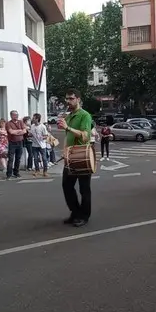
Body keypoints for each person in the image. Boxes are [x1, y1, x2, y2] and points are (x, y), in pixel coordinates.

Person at [59, 89, 93, 227]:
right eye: (67, 99)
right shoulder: (69, 116)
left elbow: (85, 136)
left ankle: (84, 216)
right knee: (67, 186)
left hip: (82, 154)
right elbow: (68, 136)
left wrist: (68, 128)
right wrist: (64, 150)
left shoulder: (85, 115)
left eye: (71, 98)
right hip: (70, 156)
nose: (68, 101)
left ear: (78, 99)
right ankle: (75, 212)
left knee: (84, 189)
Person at [5, 111, 26, 179]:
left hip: (20, 142)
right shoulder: (8, 123)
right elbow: (11, 132)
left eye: (17, 114)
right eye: (14, 115)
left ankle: (16, 172)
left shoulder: (21, 122)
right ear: (11, 116)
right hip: (12, 143)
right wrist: (20, 131)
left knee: (18, 158)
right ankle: (9, 174)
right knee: (11, 159)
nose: (16, 116)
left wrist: (16, 132)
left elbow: (24, 131)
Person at [29, 113, 49, 177]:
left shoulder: (42, 126)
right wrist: (30, 135)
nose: (33, 119)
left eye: (34, 118)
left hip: (42, 145)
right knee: (35, 158)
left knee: (44, 158)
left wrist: (42, 137)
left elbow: (46, 136)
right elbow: (31, 134)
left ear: (37, 119)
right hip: (34, 145)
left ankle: (45, 171)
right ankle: (37, 170)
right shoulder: (32, 126)